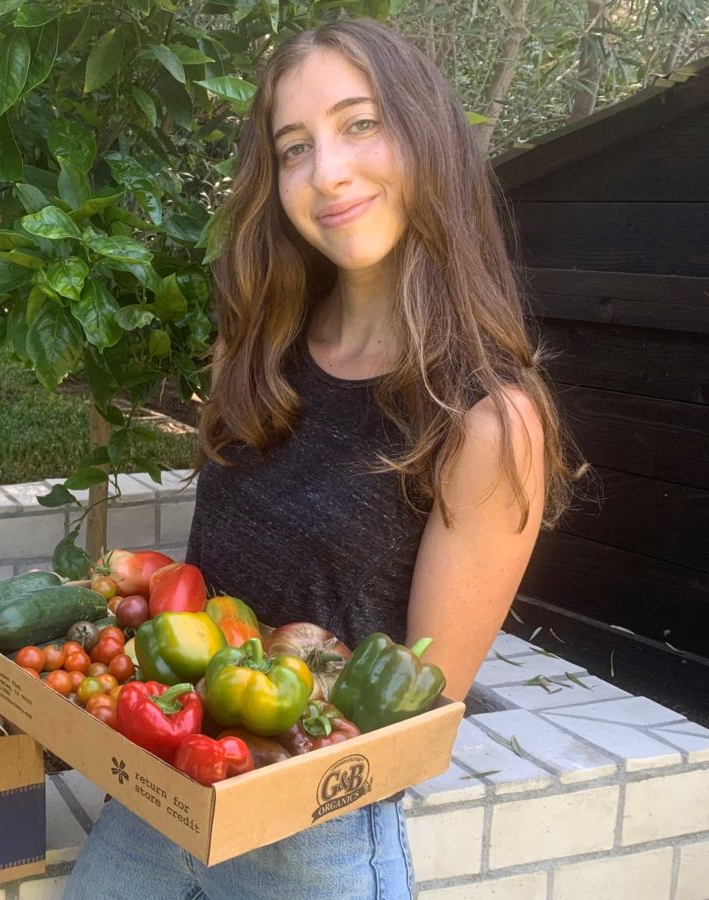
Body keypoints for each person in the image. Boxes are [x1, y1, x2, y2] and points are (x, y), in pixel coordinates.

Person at [64, 16, 584, 900]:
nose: (328, 173)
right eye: (294, 147)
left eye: (360, 124)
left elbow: (413, 710)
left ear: (427, 138)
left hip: (310, 844)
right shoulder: (265, 345)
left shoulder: (489, 420)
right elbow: (206, 595)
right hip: (167, 789)